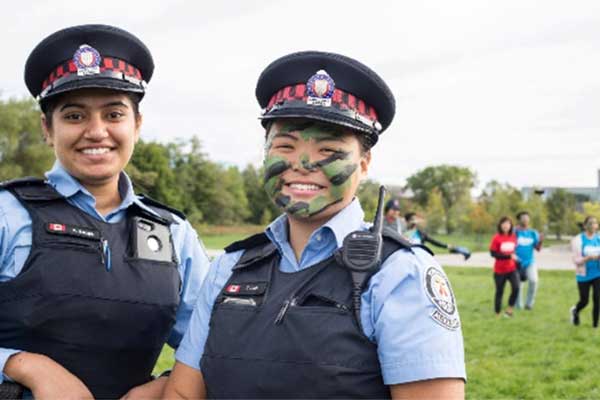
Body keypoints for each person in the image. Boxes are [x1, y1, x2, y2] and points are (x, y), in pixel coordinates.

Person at [164, 51, 466, 399]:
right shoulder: (229, 269)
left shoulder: (399, 275)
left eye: (329, 149)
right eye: (285, 145)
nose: (303, 163)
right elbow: (184, 394)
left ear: (364, 163)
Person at [0, 24, 210, 399]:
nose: (97, 132)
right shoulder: (7, 214)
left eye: (114, 115)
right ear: (47, 128)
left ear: (137, 125)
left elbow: (213, 346)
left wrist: (165, 386)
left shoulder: (173, 233)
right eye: (75, 116)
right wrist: (24, 365)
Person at [570, 216, 600, 328]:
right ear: (585, 225)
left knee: (597, 298)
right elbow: (575, 260)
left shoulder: (599, 239)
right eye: (591, 223)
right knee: (584, 301)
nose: (593, 225)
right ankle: (575, 311)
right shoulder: (577, 240)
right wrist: (586, 259)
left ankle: (595, 326)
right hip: (583, 274)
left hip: (597, 273)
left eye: (595, 223)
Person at [403, 212, 471, 260]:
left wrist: (447, 246)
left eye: (415, 219)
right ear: (407, 221)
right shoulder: (402, 233)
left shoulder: (420, 234)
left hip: (419, 259)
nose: (414, 221)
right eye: (412, 219)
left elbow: (434, 242)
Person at [489, 216, 519, 317]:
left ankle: (509, 310)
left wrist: (514, 258)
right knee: (499, 291)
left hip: (512, 268)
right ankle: (497, 313)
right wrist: (508, 256)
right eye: (504, 224)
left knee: (516, 287)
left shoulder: (513, 237)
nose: (506, 226)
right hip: (499, 270)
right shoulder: (496, 238)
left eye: (508, 224)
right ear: (500, 226)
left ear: (511, 226)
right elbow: (493, 254)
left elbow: (514, 250)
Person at [514, 211, 543, 310]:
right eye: (523, 218)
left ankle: (529, 304)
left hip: (530, 262)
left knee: (534, 281)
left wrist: (540, 241)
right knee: (518, 284)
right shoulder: (515, 232)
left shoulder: (533, 232)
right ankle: (518, 305)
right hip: (517, 262)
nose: (525, 219)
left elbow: (537, 248)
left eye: (527, 218)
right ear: (519, 220)